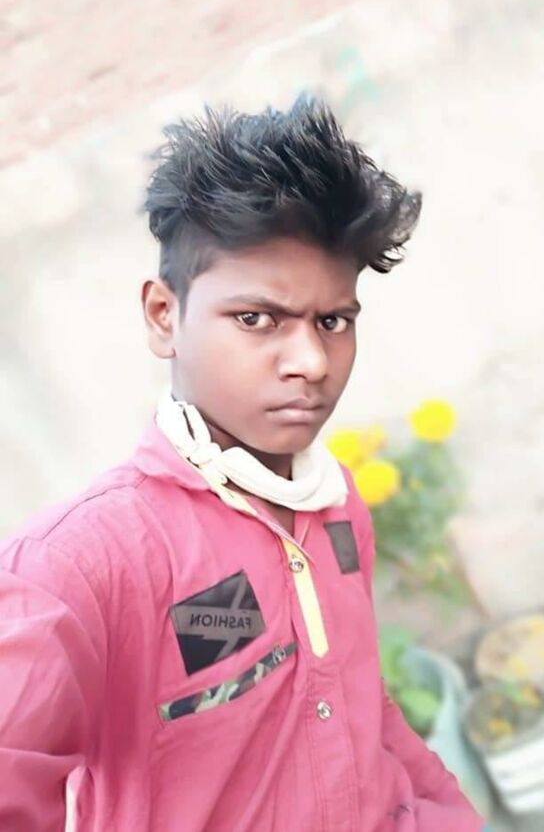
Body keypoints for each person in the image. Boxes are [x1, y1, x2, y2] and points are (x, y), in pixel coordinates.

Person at [0, 96, 484, 831]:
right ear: (164, 317)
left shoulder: (334, 506)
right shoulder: (77, 569)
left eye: (333, 321)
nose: (311, 361)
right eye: (257, 319)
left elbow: (368, 710)